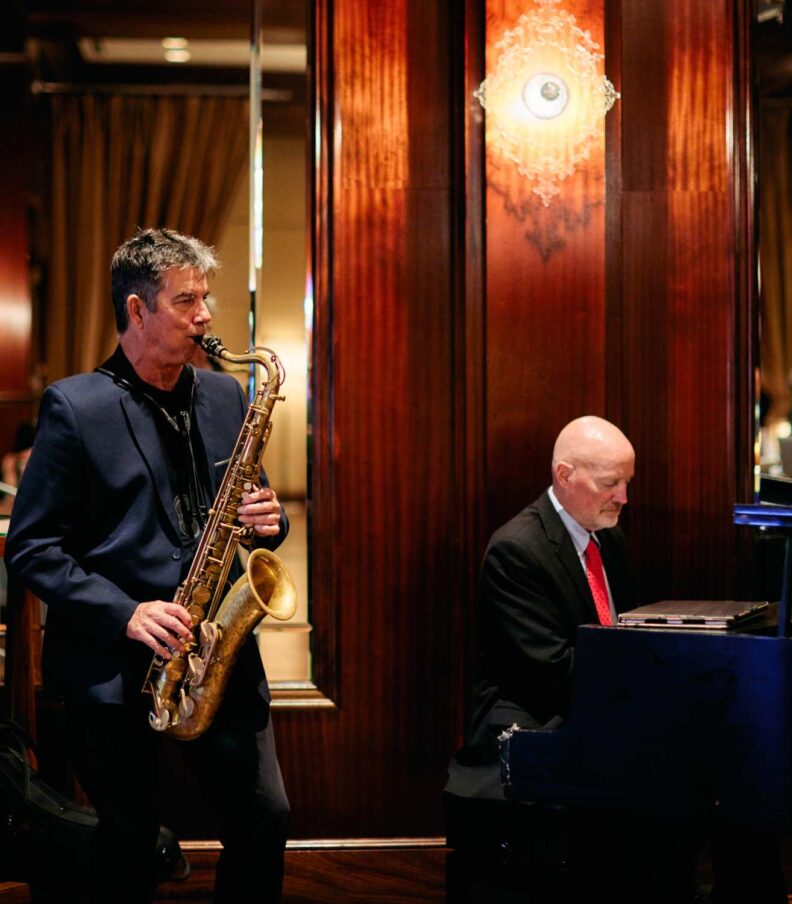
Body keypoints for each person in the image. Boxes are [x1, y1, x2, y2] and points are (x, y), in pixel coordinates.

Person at [5, 228, 290, 903]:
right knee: (128, 844)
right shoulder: (75, 407)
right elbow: (32, 546)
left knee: (265, 816)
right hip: (115, 666)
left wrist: (268, 522)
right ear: (137, 309)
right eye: (187, 301)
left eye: (205, 298)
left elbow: (249, 513)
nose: (205, 316)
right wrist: (126, 613)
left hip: (214, 652)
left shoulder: (226, 396)